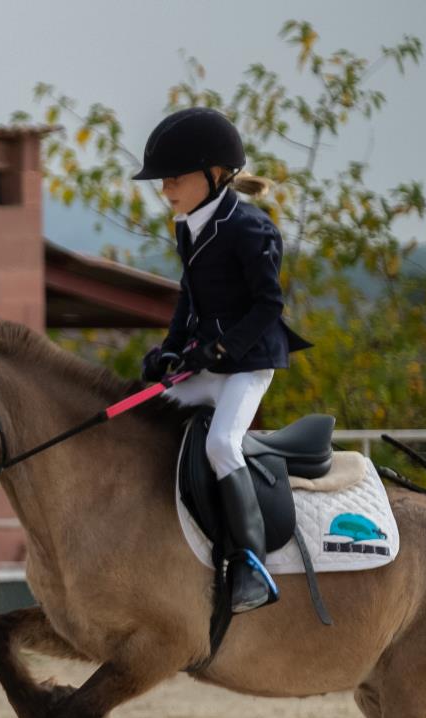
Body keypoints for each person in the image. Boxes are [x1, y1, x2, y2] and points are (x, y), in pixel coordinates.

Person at [133, 107, 311, 614]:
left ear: (215, 175)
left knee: (221, 444)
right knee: (149, 415)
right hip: (204, 362)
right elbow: (189, 297)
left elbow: (268, 307)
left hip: (250, 363)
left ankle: (251, 565)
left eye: (175, 178)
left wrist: (227, 348)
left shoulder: (251, 230)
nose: (165, 188)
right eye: (163, 179)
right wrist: (170, 349)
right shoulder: (188, 224)